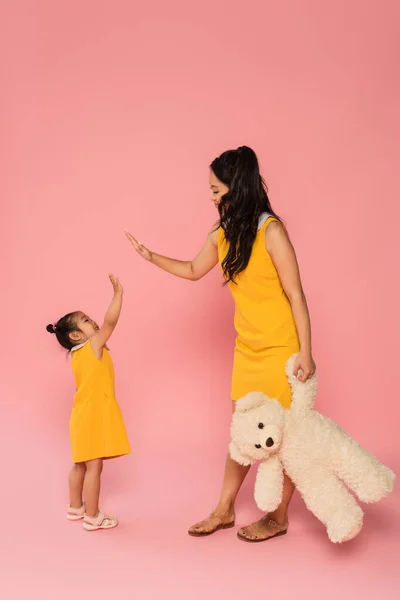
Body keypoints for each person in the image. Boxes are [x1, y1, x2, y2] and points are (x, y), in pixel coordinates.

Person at [125, 146, 315, 542]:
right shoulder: (222, 233)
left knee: (285, 437)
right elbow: (195, 270)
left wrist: (306, 352)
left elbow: (296, 295)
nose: (211, 197)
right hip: (247, 349)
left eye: (216, 189)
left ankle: (278, 517)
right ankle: (223, 509)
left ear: (237, 187)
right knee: (242, 433)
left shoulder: (271, 231)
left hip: (282, 350)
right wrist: (151, 257)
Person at [46, 274, 131, 531]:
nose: (93, 321)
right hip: (92, 415)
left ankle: (75, 507)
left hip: (81, 416)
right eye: (86, 320)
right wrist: (118, 296)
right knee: (95, 467)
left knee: (81, 463)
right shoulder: (92, 346)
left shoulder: (78, 355)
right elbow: (110, 322)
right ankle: (93, 516)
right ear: (75, 335)